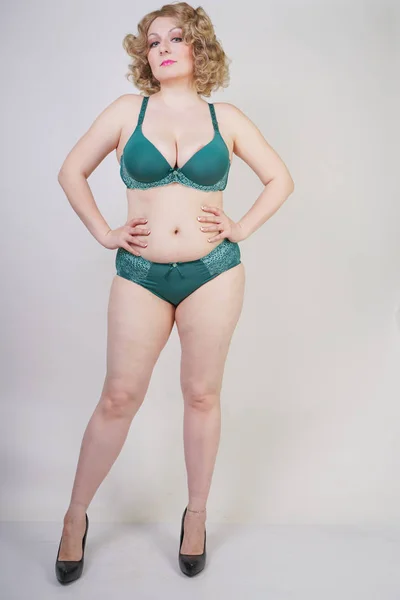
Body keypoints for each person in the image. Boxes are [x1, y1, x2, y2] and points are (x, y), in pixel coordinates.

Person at [55, 1, 294, 584]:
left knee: (202, 396)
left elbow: (280, 179)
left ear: (198, 48)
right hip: (140, 274)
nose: (163, 48)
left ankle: (196, 516)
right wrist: (105, 233)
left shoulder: (226, 118)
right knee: (119, 397)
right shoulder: (126, 111)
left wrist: (240, 226)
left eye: (176, 38)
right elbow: (70, 171)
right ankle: (74, 517)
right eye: (153, 41)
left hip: (215, 271)